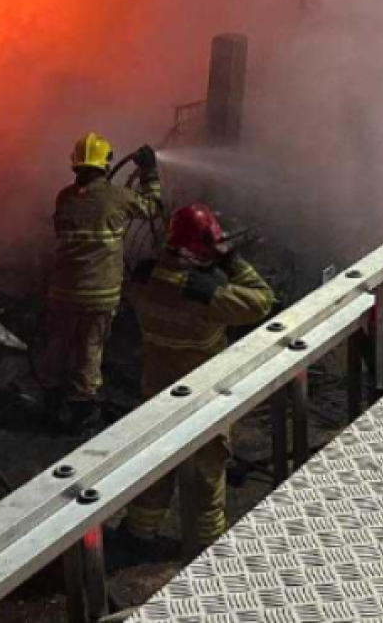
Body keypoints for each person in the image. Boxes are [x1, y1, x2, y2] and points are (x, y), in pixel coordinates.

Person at [116, 202, 275, 558]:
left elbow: (161, 282)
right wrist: (231, 262)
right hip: (203, 399)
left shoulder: (144, 278)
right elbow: (263, 300)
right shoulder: (207, 296)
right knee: (207, 472)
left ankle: (139, 532)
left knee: (154, 466)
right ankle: (207, 542)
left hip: (155, 394)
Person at [35, 132, 163, 431]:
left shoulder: (64, 197)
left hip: (63, 291)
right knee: (89, 348)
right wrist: (150, 173)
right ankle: (81, 409)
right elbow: (153, 209)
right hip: (99, 293)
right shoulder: (117, 197)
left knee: (58, 344)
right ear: (105, 164)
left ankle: (51, 401)